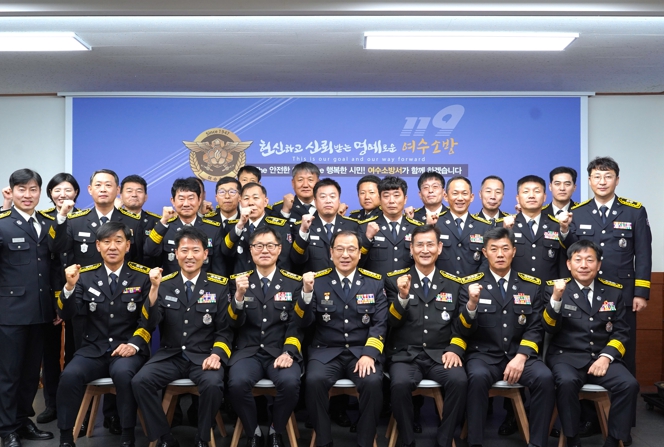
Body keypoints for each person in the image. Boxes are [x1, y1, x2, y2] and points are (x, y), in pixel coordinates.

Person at [132, 226, 233, 447]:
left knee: (213, 384)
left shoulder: (219, 286)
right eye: (184, 250)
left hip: (204, 357)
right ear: (176, 253)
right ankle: (165, 437)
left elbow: (224, 330)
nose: (189, 256)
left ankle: (202, 438)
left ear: (205, 254)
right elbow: (149, 324)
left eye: (195, 250)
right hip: (171, 355)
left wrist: (216, 355)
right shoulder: (163, 284)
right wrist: (153, 290)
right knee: (140, 381)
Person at [55, 222, 152, 447]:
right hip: (94, 349)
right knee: (69, 376)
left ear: (128, 245)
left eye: (118, 241)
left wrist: (134, 345)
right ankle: (66, 438)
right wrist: (69, 287)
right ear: (98, 246)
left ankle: (127, 437)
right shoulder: (84, 276)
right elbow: (67, 313)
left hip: (127, 349)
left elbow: (149, 320)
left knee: (124, 375)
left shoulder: (142, 276)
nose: (112, 247)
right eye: (106, 242)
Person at [456, 227, 555, 447]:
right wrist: (471, 304)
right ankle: (475, 443)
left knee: (545, 378)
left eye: (505, 248)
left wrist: (521, 356)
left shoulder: (531, 286)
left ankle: (538, 443)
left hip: (520, 355)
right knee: (477, 378)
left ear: (514, 251)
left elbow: (535, 328)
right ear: (484, 252)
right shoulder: (470, 285)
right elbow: (463, 329)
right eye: (494, 249)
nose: (500, 254)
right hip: (483, 356)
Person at [295, 230, 387, 447]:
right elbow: (304, 322)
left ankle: (365, 441)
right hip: (326, 351)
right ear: (331, 252)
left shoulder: (374, 283)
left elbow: (380, 324)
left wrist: (369, 354)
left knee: (373, 382)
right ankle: (324, 440)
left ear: (360, 253)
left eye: (351, 249)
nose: (345, 255)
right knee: (314, 381)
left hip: (361, 351)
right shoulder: (317, 281)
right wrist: (306, 293)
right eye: (340, 249)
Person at [543, 240, 639, 447]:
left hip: (601, 358)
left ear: (599, 264)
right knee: (566, 382)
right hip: (566, 358)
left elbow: (622, 332)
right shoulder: (555, 290)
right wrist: (556, 299)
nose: (584, 265)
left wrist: (606, 357)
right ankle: (572, 438)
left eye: (589, 260)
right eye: (578, 260)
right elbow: (549, 327)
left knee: (629, 384)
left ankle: (614, 439)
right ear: (569, 264)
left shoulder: (613, 292)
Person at [0, 169, 67, 447]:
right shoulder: (2, 224)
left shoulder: (47, 223)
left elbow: (54, 267)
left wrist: (57, 305)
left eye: (33, 189)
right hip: (10, 313)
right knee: (9, 374)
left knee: (30, 374)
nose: (27, 195)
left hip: (41, 312)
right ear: (12, 191)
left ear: (40, 192)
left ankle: (21, 421)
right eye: (21, 189)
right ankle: (6, 429)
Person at [384, 225, 468, 447]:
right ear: (411, 249)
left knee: (459, 380)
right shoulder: (395, 281)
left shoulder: (454, 284)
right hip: (405, 355)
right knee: (399, 384)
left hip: (440, 355)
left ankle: (444, 439)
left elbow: (461, 326)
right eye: (419, 245)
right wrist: (402, 297)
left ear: (439, 248)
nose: (425, 250)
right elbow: (391, 322)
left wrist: (455, 349)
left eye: (430, 244)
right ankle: (408, 440)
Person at [569, 157, 652, 374]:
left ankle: (625, 390)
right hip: (587, 292)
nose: (602, 181)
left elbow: (643, 253)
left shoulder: (634, 211)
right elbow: (569, 252)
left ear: (617, 180)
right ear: (589, 180)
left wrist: (641, 293)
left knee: (625, 346)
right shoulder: (578, 212)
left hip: (623, 292)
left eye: (608, 176)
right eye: (597, 177)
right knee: (586, 344)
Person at [227, 227, 304, 447]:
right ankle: (253, 432)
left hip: (279, 351)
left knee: (290, 382)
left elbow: (297, 325)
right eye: (258, 246)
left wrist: (289, 352)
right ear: (251, 250)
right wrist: (239, 296)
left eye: (270, 245)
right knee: (237, 383)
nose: (264, 250)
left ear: (279, 249)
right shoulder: (238, 282)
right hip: (248, 352)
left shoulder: (293, 282)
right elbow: (232, 324)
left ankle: (275, 430)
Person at [37, 173, 81, 424]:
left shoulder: (84, 218)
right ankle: (51, 404)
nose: (62, 194)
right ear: (50, 193)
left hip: (78, 294)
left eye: (68, 190)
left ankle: (76, 405)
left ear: (76, 192)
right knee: (50, 353)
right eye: (57, 190)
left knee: (76, 352)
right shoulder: (41, 218)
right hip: (49, 293)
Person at [143, 177, 224, 276]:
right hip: (171, 285)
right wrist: (163, 221)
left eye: (191, 198)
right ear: (173, 201)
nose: (186, 204)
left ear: (199, 200)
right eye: (181, 199)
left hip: (204, 284)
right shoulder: (164, 227)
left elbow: (219, 269)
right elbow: (149, 251)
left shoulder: (213, 229)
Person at [505, 175, 574, 281]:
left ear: (545, 197)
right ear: (517, 198)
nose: (531, 196)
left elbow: (567, 257)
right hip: (516, 289)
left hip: (547, 289)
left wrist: (564, 229)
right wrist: (505, 232)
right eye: (526, 192)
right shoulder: (507, 226)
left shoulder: (556, 226)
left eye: (537, 191)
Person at [291, 178, 363, 273]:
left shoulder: (352, 226)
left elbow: (360, 261)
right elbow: (296, 260)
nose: (328, 201)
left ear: (339, 200)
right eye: (323, 197)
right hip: (314, 281)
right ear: (315, 201)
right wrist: (304, 232)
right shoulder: (302, 227)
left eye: (332, 196)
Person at [428, 176, 492, 277]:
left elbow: (488, 260)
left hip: (474, 284)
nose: (460, 198)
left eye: (464, 193)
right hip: (441, 284)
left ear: (471, 197)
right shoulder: (435, 223)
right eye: (455, 193)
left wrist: (476, 281)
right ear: (445, 196)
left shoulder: (484, 227)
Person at [222, 182, 292, 274]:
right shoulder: (233, 226)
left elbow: (283, 262)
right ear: (240, 202)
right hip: (240, 280)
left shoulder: (280, 227)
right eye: (246, 198)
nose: (251, 203)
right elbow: (225, 252)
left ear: (265, 202)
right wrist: (240, 225)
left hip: (269, 280)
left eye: (255, 198)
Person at [361, 176, 421, 276]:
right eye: (386, 196)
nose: (391, 201)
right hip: (377, 285)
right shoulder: (365, 227)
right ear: (380, 199)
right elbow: (356, 263)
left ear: (405, 199)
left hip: (408, 284)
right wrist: (367, 239)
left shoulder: (416, 229)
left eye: (396, 195)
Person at [119, 174, 162, 267]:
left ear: (145, 197)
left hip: (150, 273)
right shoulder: (113, 220)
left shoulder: (157, 222)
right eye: (129, 191)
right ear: (121, 196)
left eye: (139, 191)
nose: (134, 195)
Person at [270, 162, 320, 226]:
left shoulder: (327, 206)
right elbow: (274, 231)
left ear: (318, 183)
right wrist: (285, 212)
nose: (305, 185)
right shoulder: (279, 208)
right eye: (300, 180)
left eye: (310, 180)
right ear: (293, 183)